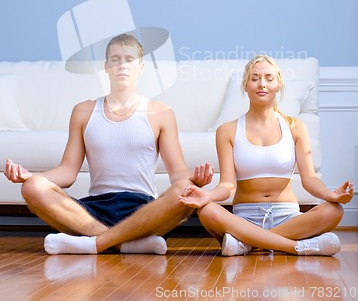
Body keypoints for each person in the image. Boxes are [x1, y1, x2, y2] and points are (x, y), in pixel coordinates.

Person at [4, 33, 213, 255]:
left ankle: (94, 243)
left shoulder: (161, 112)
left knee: (184, 190)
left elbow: (177, 173)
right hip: (92, 211)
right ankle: (126, 243)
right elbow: (67, 172)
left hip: (143, 210)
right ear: (106, 66)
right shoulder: (83, 111)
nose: (122, 65)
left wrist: (194, 180)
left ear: (141, 67)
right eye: (115, 59)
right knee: (32, 187)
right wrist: (32, 177)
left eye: (129, 60)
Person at [179, 55, 354, 256]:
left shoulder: (296, 127)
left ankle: (248, 244)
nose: (262, 84)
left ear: (279, 84)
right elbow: (228, 184)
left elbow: (309, 178)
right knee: (207, 210)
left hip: (286, 216)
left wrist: (329, 195)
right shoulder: (226, 131)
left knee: (334, 210)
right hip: (244, 218)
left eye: (269, 78)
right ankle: (295, 247)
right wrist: (208, 196)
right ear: (245, 85)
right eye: (254, 78)